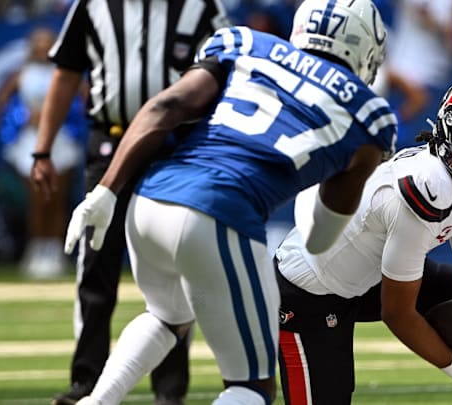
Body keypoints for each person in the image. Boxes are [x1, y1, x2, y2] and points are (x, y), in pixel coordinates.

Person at [63, 0, 397, 404]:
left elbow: (168, 107)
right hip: (221, 212)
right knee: (251, 386)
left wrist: (105, 190)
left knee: (166, 317)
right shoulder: (370, 115)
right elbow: (319, 240)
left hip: (149, 197)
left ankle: (95, 401)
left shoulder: (245, 43)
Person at [276, 75, 452, 405]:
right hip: (308, 292)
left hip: (363, 278)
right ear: (449, 133)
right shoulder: (426, 187)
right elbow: (398, 313)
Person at [29, 0, 231, 403]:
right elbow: (67, 72)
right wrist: (42, 150)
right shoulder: (94, 5)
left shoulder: (201, 6)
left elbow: (229, 73)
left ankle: (170, 390)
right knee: (95, 268)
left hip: (176, 148)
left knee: (177, 267)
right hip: (110, 141)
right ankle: (86, 381)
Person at [0, 27, 86, 279]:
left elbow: (85, 103)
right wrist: (23, 118)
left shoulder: (68, 73)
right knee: (37, 198)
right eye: (38, 43)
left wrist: (62, 119)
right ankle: (37, 248)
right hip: (31, 141)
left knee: (57, 197)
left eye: (47, 43)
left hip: (62, 141)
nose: (42, 47)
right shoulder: (20, 75)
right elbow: (2, 107)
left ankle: (56, 251)